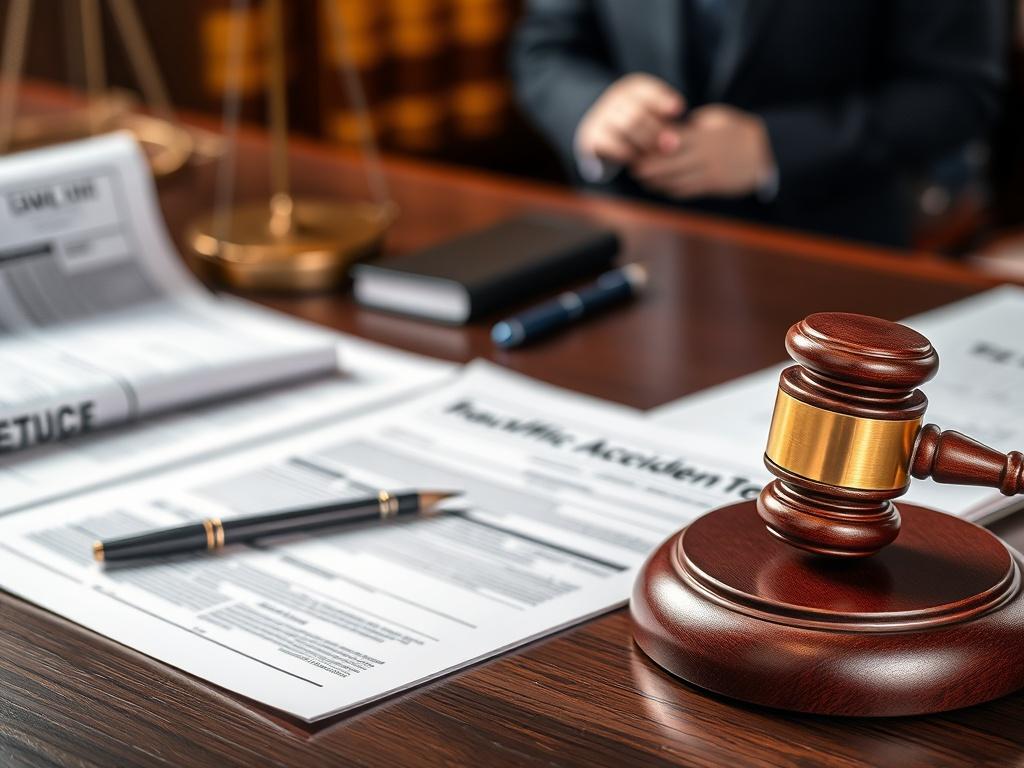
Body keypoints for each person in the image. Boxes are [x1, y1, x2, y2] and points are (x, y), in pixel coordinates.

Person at [511, 0, 1006, 246]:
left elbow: (959, 91)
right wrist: (595, 107)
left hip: (828, 249)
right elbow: (546, 48)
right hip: (631, 242)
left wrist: (773, 148)